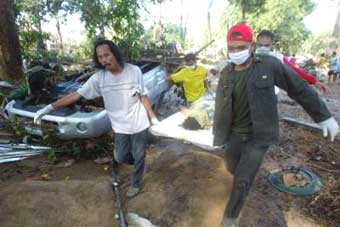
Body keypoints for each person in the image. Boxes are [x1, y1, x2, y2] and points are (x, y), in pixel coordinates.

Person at [213, 23, 339, 227]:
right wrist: (218, 134)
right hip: (234, 135)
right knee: (231, 168)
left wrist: (323, 116)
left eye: (240, 47)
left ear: (251, 45)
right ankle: (239, 189)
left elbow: (297, 88)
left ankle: (229, 220)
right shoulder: (227, 72)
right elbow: (221, 105)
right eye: (232, 48)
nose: (236, 52)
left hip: (259, 135)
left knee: (243, 180)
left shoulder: (269, 65)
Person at [33, 40, 159, 198]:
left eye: (107, 55)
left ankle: (136, 183)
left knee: (139, 154)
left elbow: (143, 96)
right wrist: (49, 108)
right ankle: (139, 164)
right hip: (120, 126)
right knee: (120, 156)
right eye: (100, 57)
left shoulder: (134, 71)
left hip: (139, 122)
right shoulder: (99, 78)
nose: (104, 60)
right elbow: (76, 95)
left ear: (115, 53)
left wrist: (153, 118)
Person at [256, 30, 328, 94]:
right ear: (256, 44)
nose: (263, 48)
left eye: (266, 45)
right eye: (260, 45)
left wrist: (314, 81)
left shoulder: (278, 58)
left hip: (269, 93)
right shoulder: (250, 57)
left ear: (272, 45)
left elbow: (296, 71)